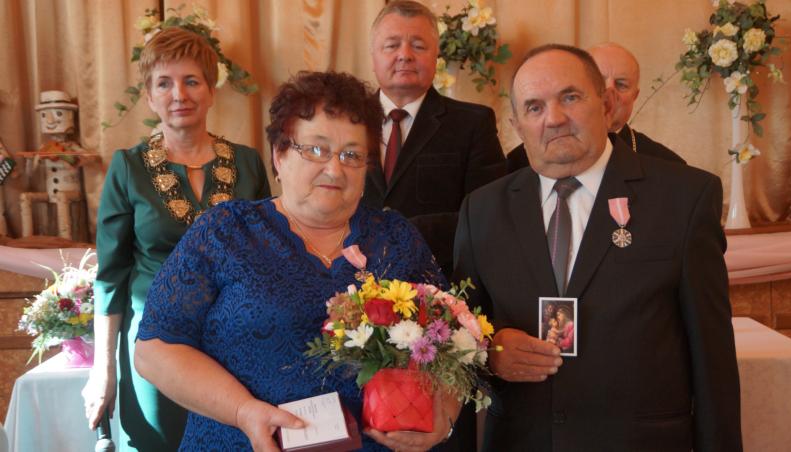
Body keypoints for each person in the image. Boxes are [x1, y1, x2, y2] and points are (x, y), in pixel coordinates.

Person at [133, 71, 461, 451]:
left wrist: (445, 418)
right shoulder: (225, 232)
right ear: (279, 155)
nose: (334, 169)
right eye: (316, 150)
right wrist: (242, 411)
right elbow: (155, 350)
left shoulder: (396, 238)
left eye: (351, 155)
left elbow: (455, 343)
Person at [454, 44, 742, 451]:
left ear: (606, 105)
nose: (554, 118)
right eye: (534, 107)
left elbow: (714, 360)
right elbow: (460, 336)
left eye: (570, 97)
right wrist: (490, 352)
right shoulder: (482, 210)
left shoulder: (684, 198)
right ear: (517, 125)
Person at [82, 27, 271, 451]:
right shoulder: (128, 167)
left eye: (191, 81)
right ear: (149, 97)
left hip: (235, 340)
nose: (178, 95)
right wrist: (103, 369)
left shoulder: (248, 162)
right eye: (164, 84)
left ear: (211, 90)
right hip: (155, 343)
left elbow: (267, 257)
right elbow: (110, 276)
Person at [363, 0, 506, 277]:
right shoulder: (346, 121)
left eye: (418, 46)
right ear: (373, 56)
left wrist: (408, 234)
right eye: (391, 45)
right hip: (349, 284)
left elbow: (489, 214)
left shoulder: (473, 124)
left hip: (441, 286)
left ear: (436, 55)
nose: (405, 55)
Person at [506, 42, 685, 173]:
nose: (610, 90)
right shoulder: (517, 162)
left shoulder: (668, 165)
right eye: (600, 80)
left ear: (634, 96)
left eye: (621, 84)